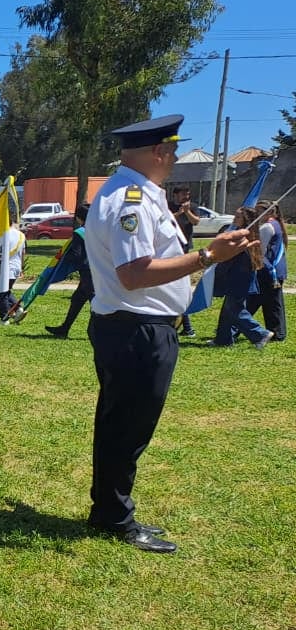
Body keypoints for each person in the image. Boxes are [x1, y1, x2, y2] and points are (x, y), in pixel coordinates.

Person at [84, 114, 255, 553]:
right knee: (127, 429)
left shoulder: (134, 193)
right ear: (158, 151)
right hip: (136, 330)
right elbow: (134, 273)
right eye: (173, 150)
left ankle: (109, 510)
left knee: (120, 425)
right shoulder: (132, 200)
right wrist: (207, 257)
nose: (176, 157)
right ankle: (114, 517)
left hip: (132, 328)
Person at [210, 205, 272, 349]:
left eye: (238, 217)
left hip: (239, 278)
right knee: (228, 308)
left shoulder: (245, 237)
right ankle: (223, 338)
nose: (234, 219)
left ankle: (260, 333)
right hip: (235, 276)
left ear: (246, 220)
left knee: (234, 308)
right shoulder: (240, 233)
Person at [44, 203, 94, 338]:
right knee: (77, 300)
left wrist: (65, 257)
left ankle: (97, 332)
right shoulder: (98, 230)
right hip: (96, 270)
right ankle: (64, 328)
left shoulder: (80, 233)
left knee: (95, 303)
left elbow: (77, 255)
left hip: (87, 272)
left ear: (78, 218)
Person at [246, 199, 287, 341]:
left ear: (269, 212)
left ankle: (276, 332)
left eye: (259, 211)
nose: (256, 214)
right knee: (272, 303)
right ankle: (277, 332)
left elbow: (260, 250)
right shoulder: (276, 225)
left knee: (264, 302)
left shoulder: (267, 227)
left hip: (268, 270)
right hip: (275, 270)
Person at [169, 185, 200, 337]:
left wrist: (187, 212)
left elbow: (196, 222)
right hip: (169, 248)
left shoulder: (192, 207)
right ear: (175, 195)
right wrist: (178, 213)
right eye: (183, 194)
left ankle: (187, 327)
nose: (186, 196)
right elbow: (164, 221)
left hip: (184, 249)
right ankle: (186, 327)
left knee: (179, 287)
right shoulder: (167, 205)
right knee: (175, 287)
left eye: (188, 194)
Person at [0, 214, 26, 323]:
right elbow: (23, 252)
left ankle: (5, 317)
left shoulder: (3, 236)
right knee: (6, 291)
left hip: (5, 268)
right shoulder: (21, 235)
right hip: (16, 267)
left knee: (1, 294)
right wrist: (21, 267)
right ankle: (18, 308)